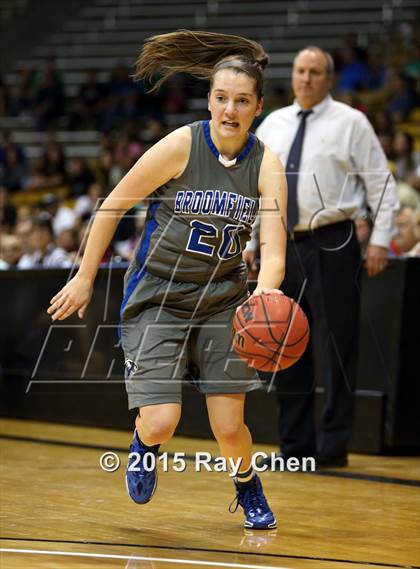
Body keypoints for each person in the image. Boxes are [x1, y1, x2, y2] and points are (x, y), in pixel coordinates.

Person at [47, 30, 287, 530]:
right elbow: (112, 205)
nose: (229, 109)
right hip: (159, 295)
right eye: (221, 98)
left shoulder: (267, 163)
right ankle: (143, 445)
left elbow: (274, 245)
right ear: (209, 101)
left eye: (242, 101)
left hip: (223, 299)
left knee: (229, 428)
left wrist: (266, 292)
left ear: (257, 107)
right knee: (161, 420)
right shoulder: (182, 144)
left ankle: (247, 486)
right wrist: (86, 277)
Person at [254, 46, 398, 468]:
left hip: (334, 238)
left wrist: (379, 240)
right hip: (282, 243)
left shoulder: (351, 122)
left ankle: (332, 446)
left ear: (329, 78)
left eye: (316, 72)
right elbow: (256, 188)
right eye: (300, 70)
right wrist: (250, 244)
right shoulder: (273, 123)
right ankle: (294, 446)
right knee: (284, 342)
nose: (307, 79)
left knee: (336, 346)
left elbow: (380, 185)